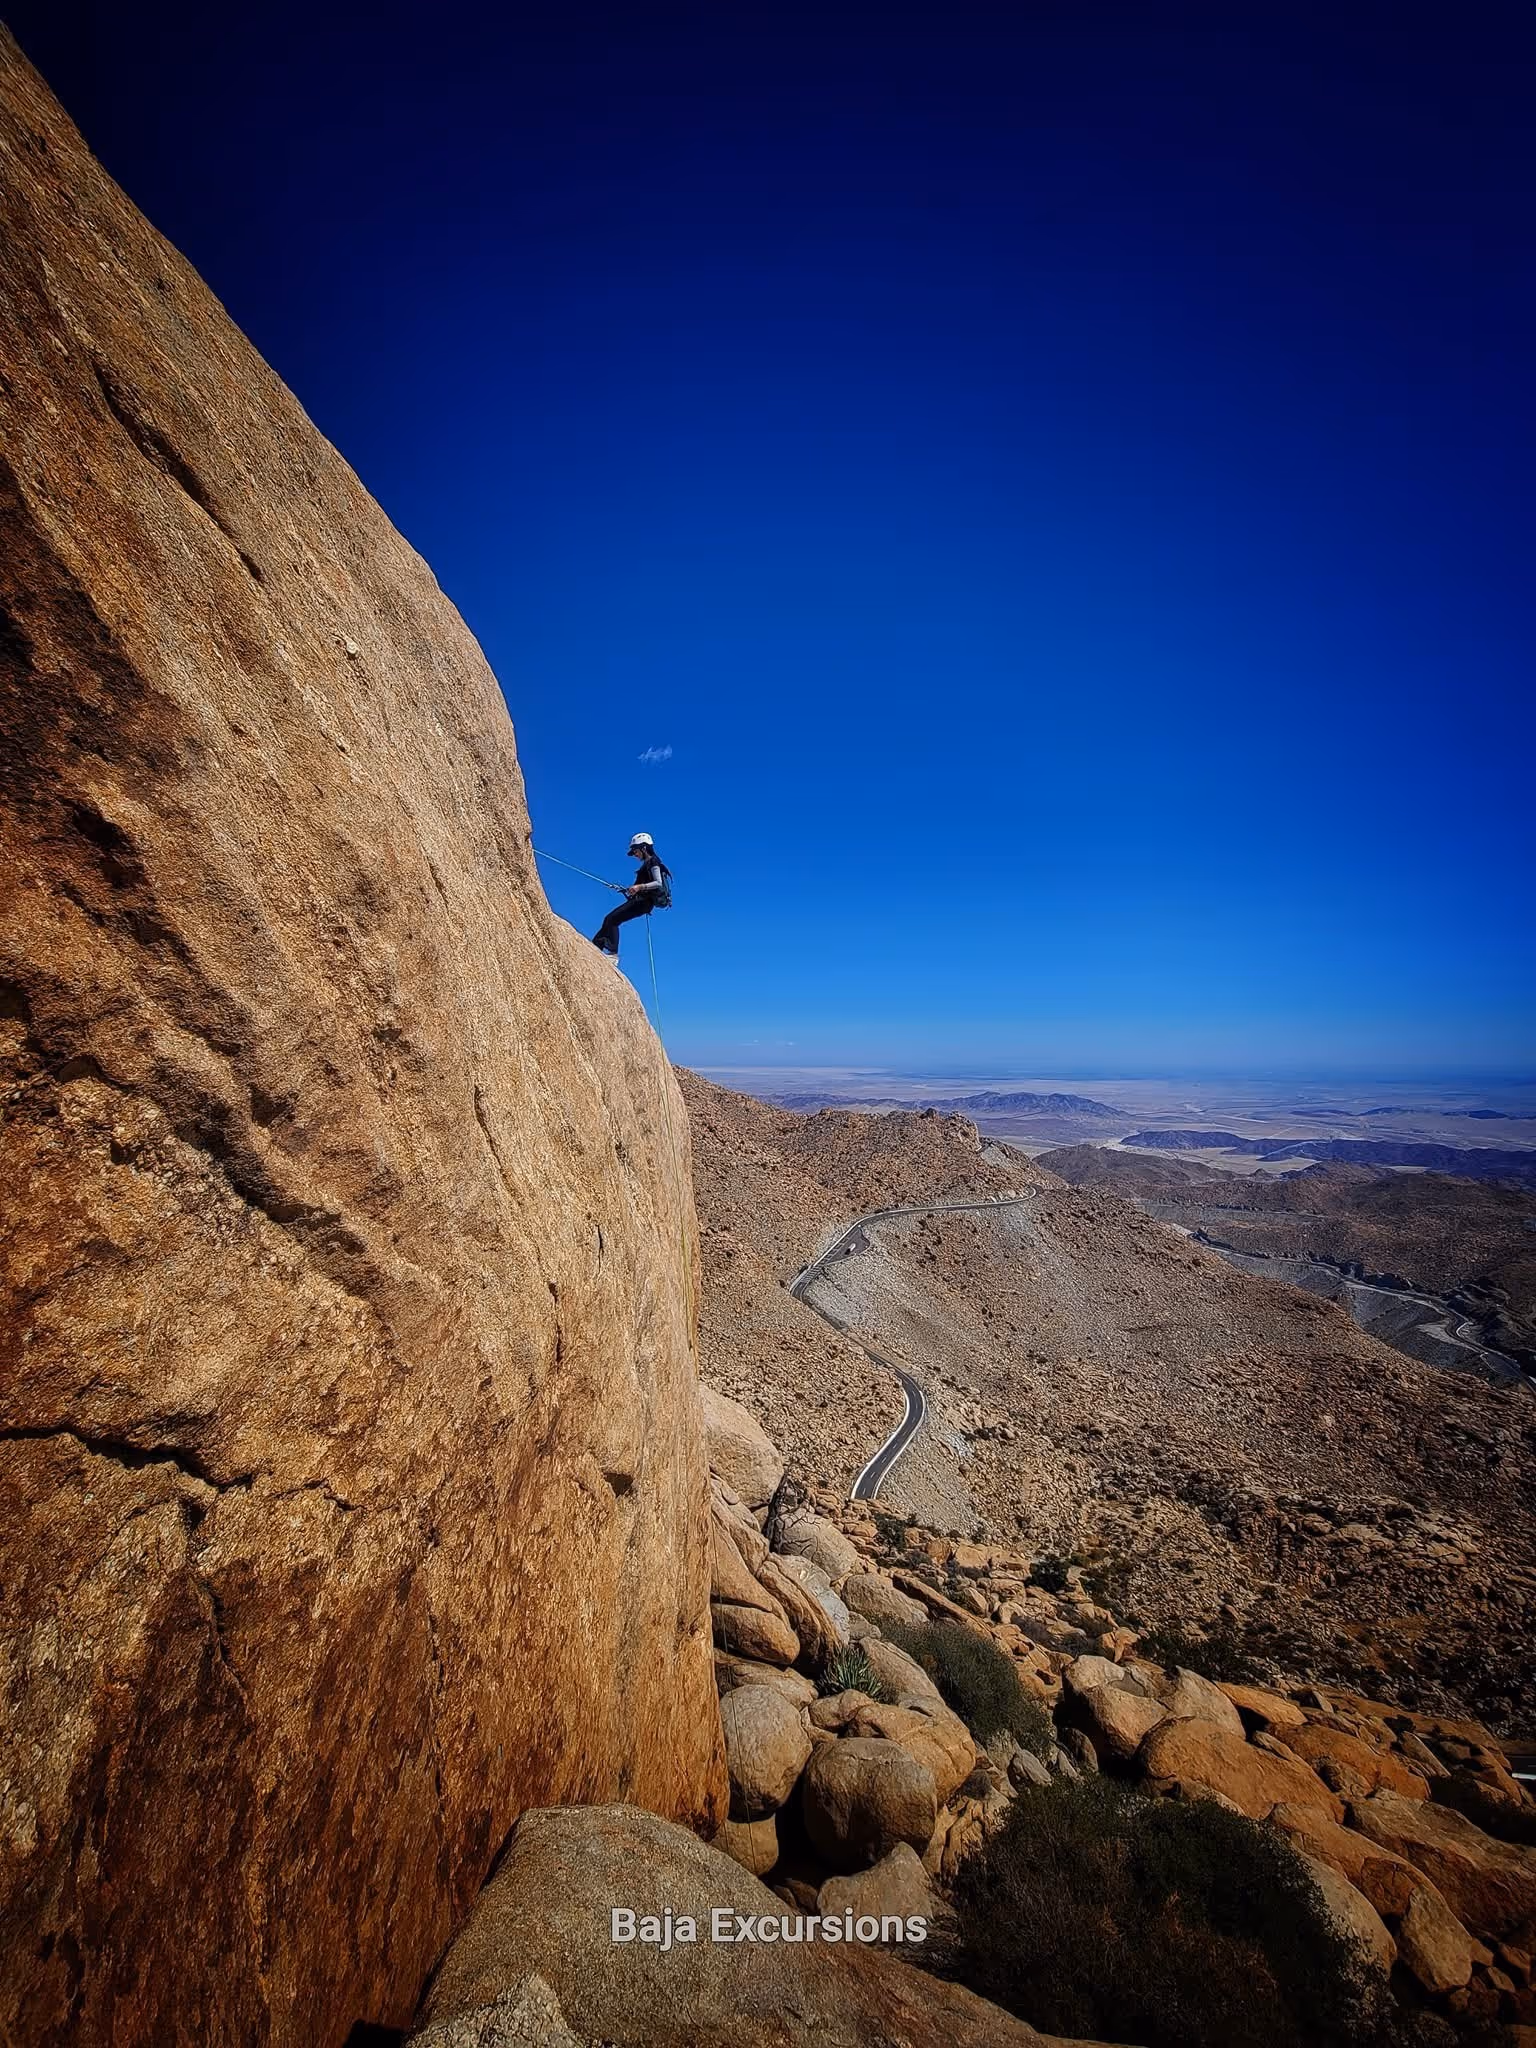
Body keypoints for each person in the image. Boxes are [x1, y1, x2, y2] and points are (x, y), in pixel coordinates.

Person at [592, 832, 672, 957]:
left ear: (644, 848)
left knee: (611, 919)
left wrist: (639, 887)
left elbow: (658, 883)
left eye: (635, 851)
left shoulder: (653, 861)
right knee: (610, 920)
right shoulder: (647, 864)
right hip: (640, 901)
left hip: (643, 902)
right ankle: (595, 947)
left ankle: (612, 954)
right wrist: (628, 890)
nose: (635, 854)